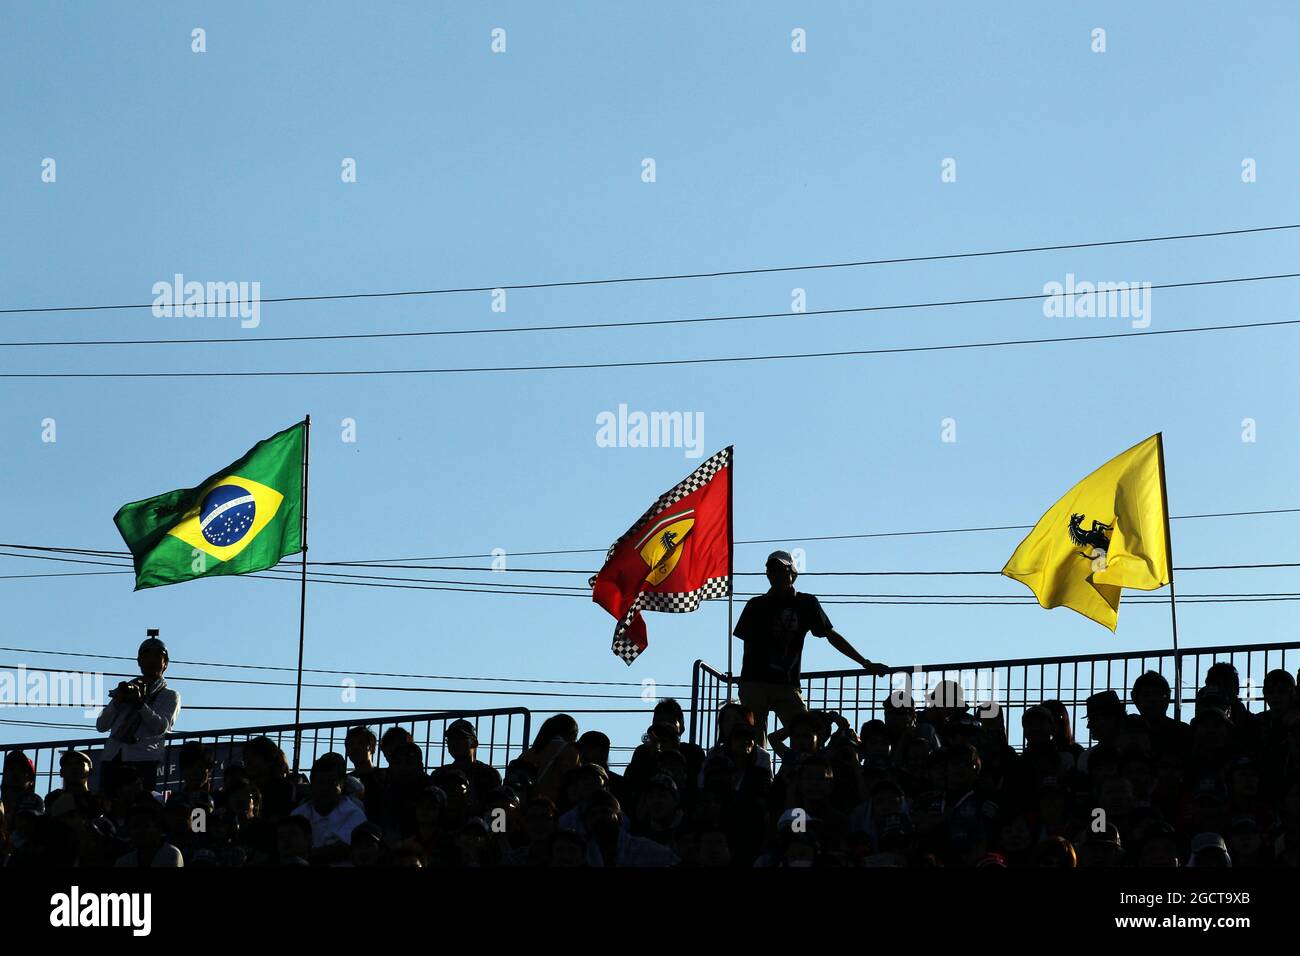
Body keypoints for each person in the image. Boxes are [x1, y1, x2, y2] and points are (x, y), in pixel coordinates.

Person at [733, 550, 888, 746]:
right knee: (754, 741)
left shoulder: (805, 603)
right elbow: (747, 645)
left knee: (807, 732)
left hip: (786, 683)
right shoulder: (756, 605)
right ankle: (761, 773)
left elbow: (830, 635)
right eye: (772, 570)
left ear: (793, 573)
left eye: (782, 569)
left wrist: (864, 662)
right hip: (755, 681)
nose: (776, 574)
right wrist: (745, 685)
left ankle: (801, 770)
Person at [95, 635, 181, 795]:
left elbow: (161, 727)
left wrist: (140, 704)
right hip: (113, 757)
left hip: (143, 759)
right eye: (146, 656)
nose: (151, 661)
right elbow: (101, 725)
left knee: (139, 806)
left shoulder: (169, 695)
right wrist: (117, 701)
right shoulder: (127, 690)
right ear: (139, 662)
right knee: (108, 804)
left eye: (157, 657)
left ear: (165, 664)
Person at [290, 754, 368, 866]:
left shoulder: (354, 813)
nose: (324, 789)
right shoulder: (298, 814)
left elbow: (344, 849)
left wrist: (304, 855)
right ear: (312, 785)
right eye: (320, 783)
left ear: (342, 785)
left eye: (331, 783)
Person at [442, 719, 502, 816]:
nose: (455, 743)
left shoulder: (489, 775)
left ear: (474, 743)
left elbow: (498, 811)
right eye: (451, 739)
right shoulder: (440, 774)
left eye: (461, 738)